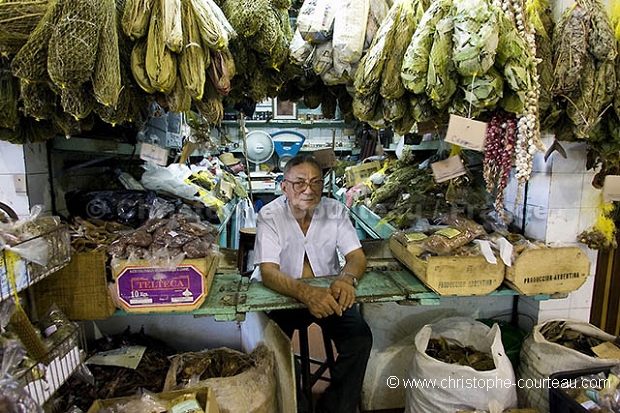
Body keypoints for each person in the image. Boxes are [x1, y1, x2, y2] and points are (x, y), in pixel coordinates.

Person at [253, 153, 372, 413]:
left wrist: (347, 278)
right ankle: (299, 406)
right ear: (284, 186)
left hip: (330, 294)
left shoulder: (335, 210)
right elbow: (269, 272)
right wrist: (306, 294)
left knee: (359, 339)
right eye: (299, 183)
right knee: (274, 350)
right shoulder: (269, 215)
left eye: (316, 182)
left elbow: (356, 256)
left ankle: (335, 406)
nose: (308, 189)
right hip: (284, 296)